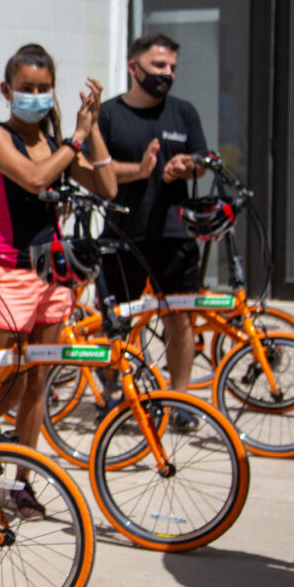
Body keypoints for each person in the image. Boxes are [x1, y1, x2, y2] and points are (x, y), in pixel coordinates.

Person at [0, 44, 115, 518]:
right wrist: (74, 138)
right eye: (26, 88)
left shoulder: (56, 145)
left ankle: (21, 481)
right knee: (8, 379)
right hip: (5, 271)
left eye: (43, 88)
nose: (35, 96)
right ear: (6, 90)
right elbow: (34, 181)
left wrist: (91, 134)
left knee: (37, 382)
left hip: (52, 275)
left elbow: (108, 187)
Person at [97, 33, 207, 428]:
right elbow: (96, 173)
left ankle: (181, 401)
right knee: (119, 321)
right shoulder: (108, 115)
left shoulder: (184, 113)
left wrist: (187, 168)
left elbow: (201, 161)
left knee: (180, 318)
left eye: (172, 68)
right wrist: (140, 171)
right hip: (121, 234)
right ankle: (117, 395)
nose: (167, 74)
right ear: (134, 67)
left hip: (174, 234)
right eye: (159, 66)